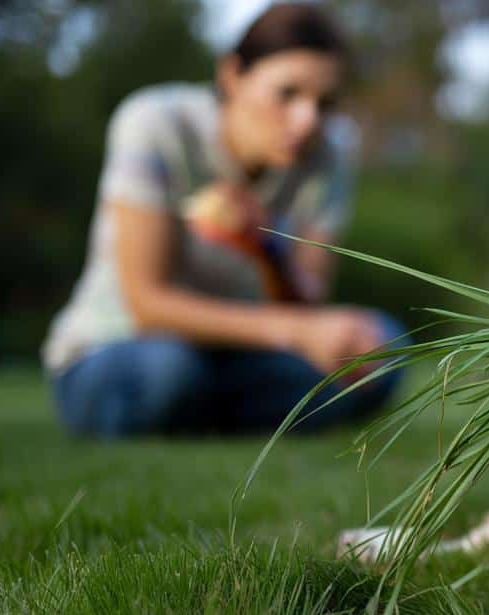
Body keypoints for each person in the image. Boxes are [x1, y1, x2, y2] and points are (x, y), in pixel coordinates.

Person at [43, 3, 403, 438]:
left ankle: (206, 416)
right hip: (120, 348)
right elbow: (147, 304)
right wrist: (298, 331)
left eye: (324, 103)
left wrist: (268, 249)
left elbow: (306, 305)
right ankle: (242, 415)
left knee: (382, 347)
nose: (308, 120)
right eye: (287, 94)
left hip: (244, 356)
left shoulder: (330, 155)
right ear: (232, 77)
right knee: (171, 372)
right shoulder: (156, 123)